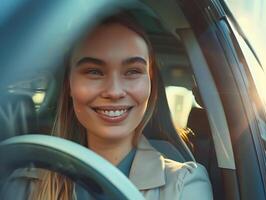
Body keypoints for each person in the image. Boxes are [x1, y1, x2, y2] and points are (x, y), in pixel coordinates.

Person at [0, 12, 212, 200]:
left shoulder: (184, 185)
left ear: (151, 84)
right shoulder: (25, 185)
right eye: (94, 71)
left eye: (132, 71)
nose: (114, 91)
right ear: (69, 86)